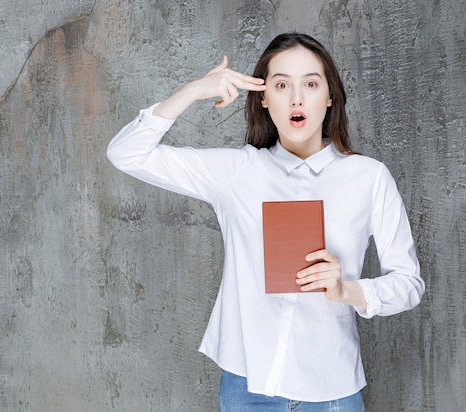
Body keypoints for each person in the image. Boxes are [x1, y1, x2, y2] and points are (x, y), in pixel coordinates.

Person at [107, 33, 425, 411]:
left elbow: (408, 285)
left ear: (330, 96)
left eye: (310, 83)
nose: (296, 98)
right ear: (263, 99)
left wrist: (347, 291)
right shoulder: (238, 171)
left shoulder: (369, 177)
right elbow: (125, 154)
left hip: (330, 391)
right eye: (281, 85)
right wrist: (193, 90)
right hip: (247, 388)